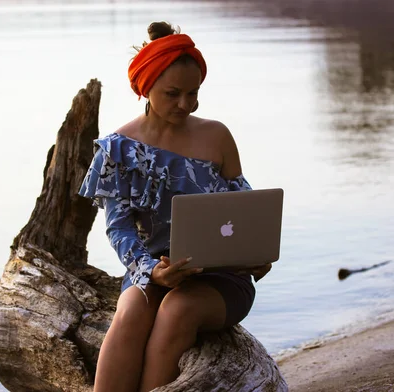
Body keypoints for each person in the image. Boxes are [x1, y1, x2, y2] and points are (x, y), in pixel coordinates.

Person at [78, 21, 272, 392]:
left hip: (222, 276)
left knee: (176, 310)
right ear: (145, 87)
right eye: (173, 93)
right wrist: (152, 271)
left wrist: (257, 251)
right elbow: (118, 228)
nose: (186, 104)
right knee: (132, 311)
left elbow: (244, 207)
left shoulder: (217, 136)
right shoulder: (118, 149)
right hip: (155, 270)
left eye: (193, 93)